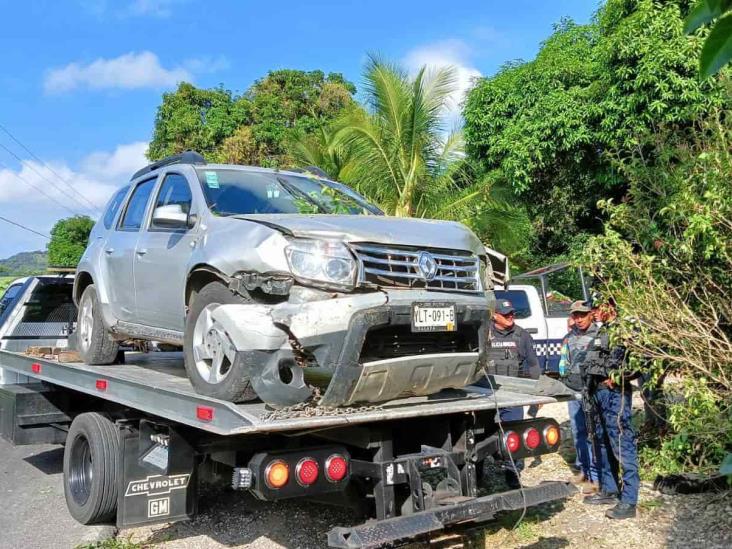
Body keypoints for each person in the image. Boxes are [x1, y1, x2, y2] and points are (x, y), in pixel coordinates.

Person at [583, 299, 640, 519]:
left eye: (597, 308)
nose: (594, 312)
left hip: (615, 394)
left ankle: (629, 501)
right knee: (602, 441)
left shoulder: (625, 331)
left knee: (621, 443)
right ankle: (609, 489)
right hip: (598, 392)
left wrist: (617, 378)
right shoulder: (603, 331)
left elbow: (639, 363)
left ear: (611, 308)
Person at [479, 299, 541, 487]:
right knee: (480, 434)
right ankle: (476, 475)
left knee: (514, 435)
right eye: (505, 314)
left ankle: (512, 473)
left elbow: (533, 365)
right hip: (486, 395)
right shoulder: (483, 333)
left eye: (512, 313)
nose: (510, 316)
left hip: (513, 395)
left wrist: (536, 393)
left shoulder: (521, 335)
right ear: (494, 315)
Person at [559, 302, 599, 494]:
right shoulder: (569, 337)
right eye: (576, 315)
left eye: (582, 315)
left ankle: (595, 476)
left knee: (592, 434)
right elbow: (563, 362)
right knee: (578, 432)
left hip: (590, 391)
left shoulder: (598, 336)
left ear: (590, 314)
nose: (579, 319)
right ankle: (583, 470)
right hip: (573, 390)